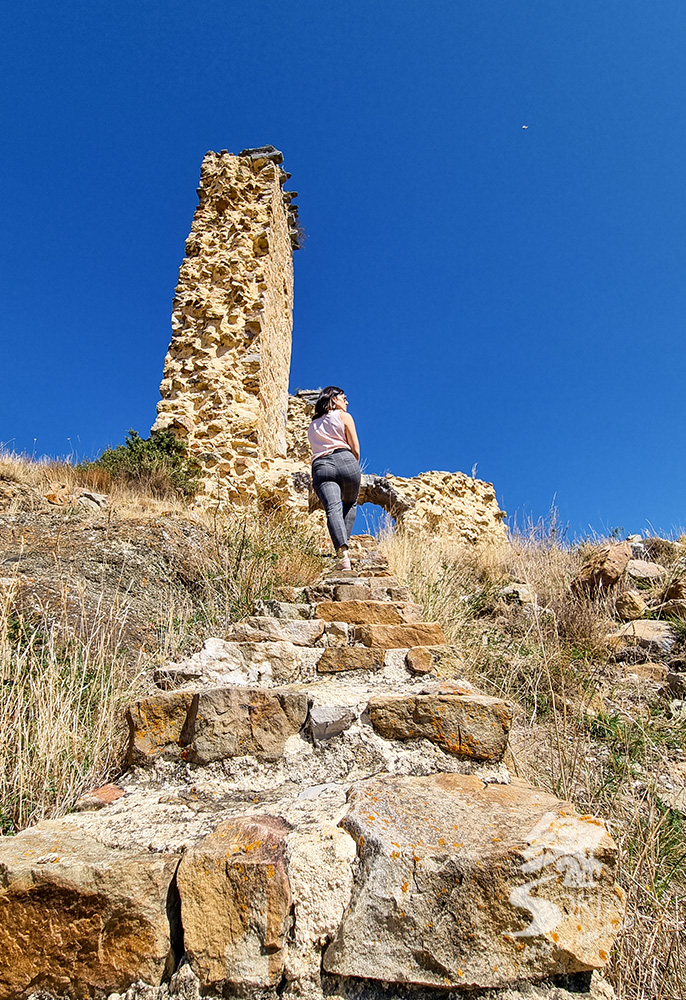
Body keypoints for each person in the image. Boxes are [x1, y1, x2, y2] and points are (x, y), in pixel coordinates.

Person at [308, 386, 361, 571]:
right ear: (333, 399)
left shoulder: (312, 424)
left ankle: (342, 554)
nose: (347, 402)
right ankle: (343, 548)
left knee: (332, 508)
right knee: (350, 503)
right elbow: (355, 448)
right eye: (343, 398)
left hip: (321, 466)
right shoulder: (344, 416)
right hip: (345, 459)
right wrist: (352, 466)